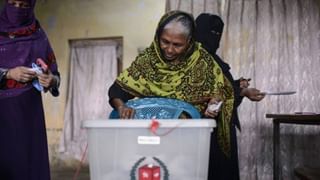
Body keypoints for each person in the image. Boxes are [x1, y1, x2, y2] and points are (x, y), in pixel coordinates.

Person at [195, 13, 265, 180]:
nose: (215, 38)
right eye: (211, 33)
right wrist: (242, 92)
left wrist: (236, 84)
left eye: (218, 34)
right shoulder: (195, 59)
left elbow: (221, 87)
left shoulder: (213, 59)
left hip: (223, 126)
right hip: (206, 128)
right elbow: (204, 92)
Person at [0, 0, 60, 179]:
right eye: (14, 3)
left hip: (30, 115)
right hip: (2, 114)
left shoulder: (38, 35)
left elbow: (55, 75)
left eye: (24, 5)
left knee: (30, 167)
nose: (18, 9)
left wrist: (51, 80)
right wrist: (9, 74)